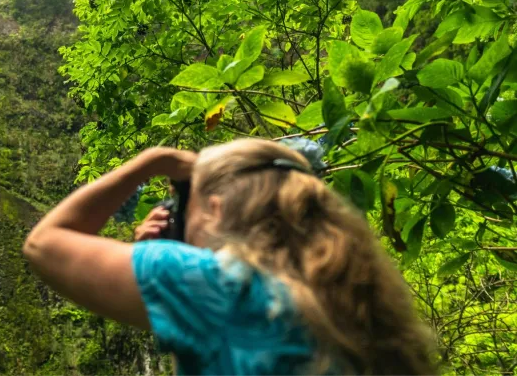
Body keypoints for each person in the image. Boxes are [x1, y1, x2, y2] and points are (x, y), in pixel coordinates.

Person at [23, 139, 436, 375]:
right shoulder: (363, 308)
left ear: (217, 210)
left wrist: (152, 163)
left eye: (187, 206)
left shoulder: (220, 287)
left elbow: (44, 243)